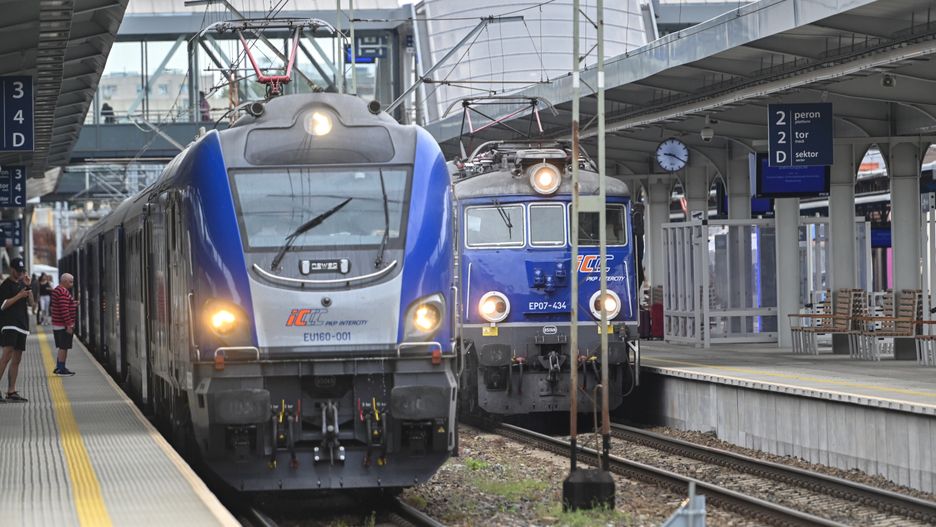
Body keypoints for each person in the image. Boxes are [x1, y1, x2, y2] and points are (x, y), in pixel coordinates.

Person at [0, 258, 34, 402]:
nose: (20, 273)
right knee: (6, 356)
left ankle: (11, 391)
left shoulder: (22, 284)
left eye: (22, 271)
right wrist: (19, 295)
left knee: (17, 358)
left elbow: (31, 304)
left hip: (22, 325)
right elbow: (3, 305)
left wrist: (28, 287)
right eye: (18, 271)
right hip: (9, 324)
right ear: (11, 269)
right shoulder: (5, 285)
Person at [51, 273, 78, 376]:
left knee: (62, 347)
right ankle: (61, 369)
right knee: (64, 347)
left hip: (58, 324)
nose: (72, 284)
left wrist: (73, 303)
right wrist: (69, 325)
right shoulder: (63, 292)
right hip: (63, 325)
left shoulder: (57, 290)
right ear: (65, 281)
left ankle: (59, 367)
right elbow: (64, 310)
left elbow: (64, 305)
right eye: (71, 282)